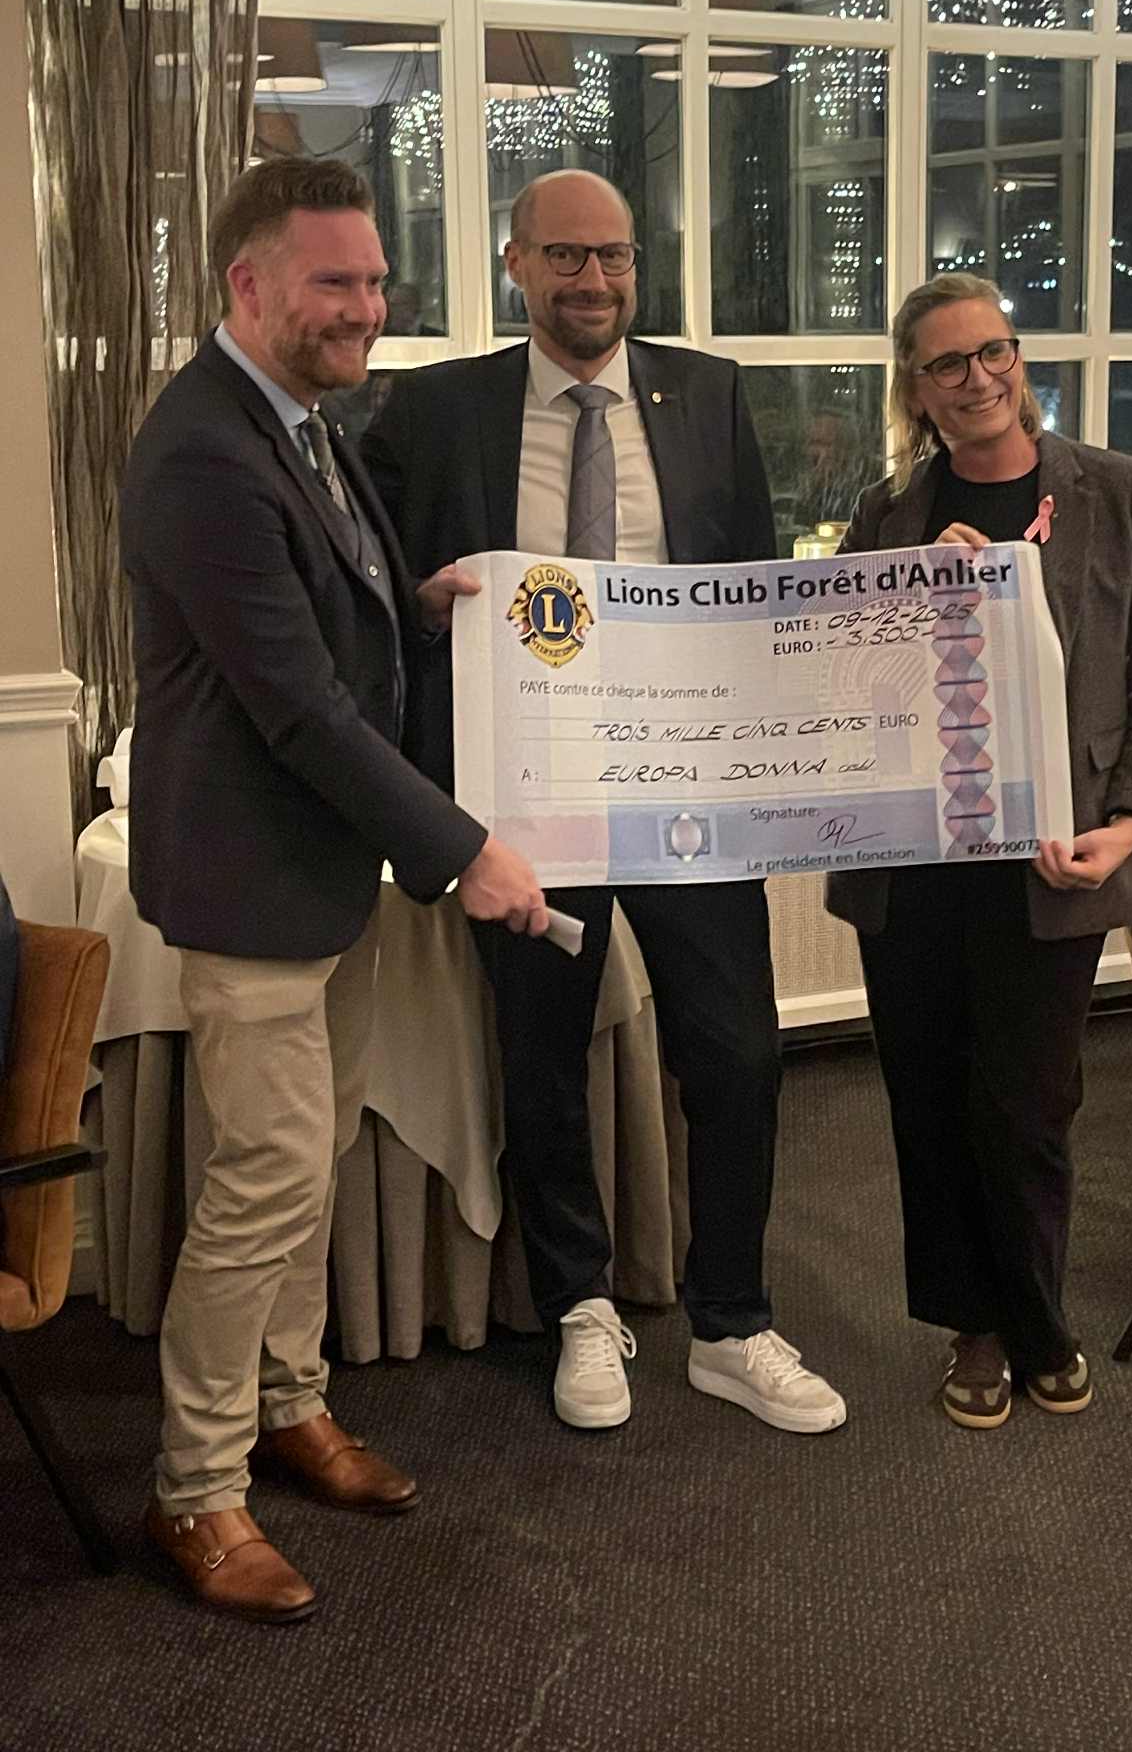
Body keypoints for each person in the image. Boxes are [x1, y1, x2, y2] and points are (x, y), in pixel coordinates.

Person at [121, 158, 548, 1623]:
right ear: (247, 285)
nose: (367, 306)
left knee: (312, 1164)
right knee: (264, 1181)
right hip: (250, 883)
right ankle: (194, 1486)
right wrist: (467, 848)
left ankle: (291, 1404)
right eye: (334, 282)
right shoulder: (203, 449)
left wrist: (412, 602)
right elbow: (296, 707)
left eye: (373, 279)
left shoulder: (299, 420)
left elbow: (323, 622)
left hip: (327, 874)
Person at [362, 168, 845, 1436]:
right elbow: (364, 582)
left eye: (615, 256)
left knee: (738, 1051)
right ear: (515, 263)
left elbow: (754, 584)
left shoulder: (709, 395)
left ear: (640, 266)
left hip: (690, 783)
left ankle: (732, 1319)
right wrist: (421, 610)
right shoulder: (438, 409)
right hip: (527, 794)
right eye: (567, 256)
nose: (594, 280)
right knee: (542, 1053)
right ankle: (579, 1301)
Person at [826, 272, 1132, 1431]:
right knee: (929, 1102)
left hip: (1053, 866)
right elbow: (848, 681)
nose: (979, 376)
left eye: (994, 349)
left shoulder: (1118, 492)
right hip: (912, 867)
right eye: (948, 362)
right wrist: (920, 603)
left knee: (1029, 1107)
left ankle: (1039, 1318)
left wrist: (1129, 824)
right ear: (915, 388)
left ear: (1018, 356)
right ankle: (974, 1329)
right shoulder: (889, 513)